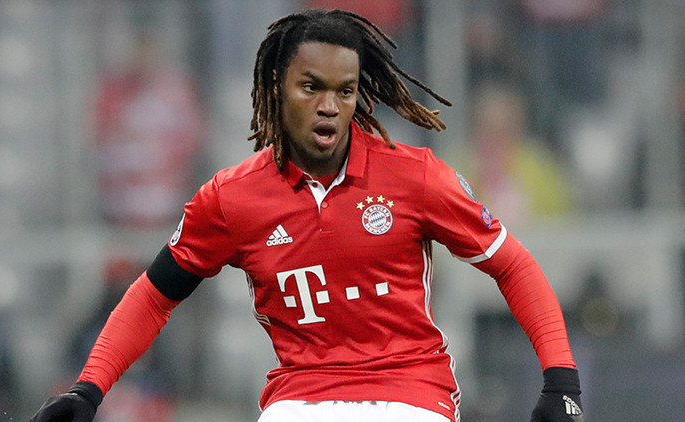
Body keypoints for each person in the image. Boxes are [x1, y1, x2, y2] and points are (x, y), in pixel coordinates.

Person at [30, 9, 583, 422]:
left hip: (411, 396)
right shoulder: (231, 198)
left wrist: (561, 381)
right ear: (277, 87)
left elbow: (513, 265)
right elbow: (154, 296)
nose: (329, 106)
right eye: (311, 87)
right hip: (300, 402)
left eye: (345, 91)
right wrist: (89, 389)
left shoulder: (416, 176)